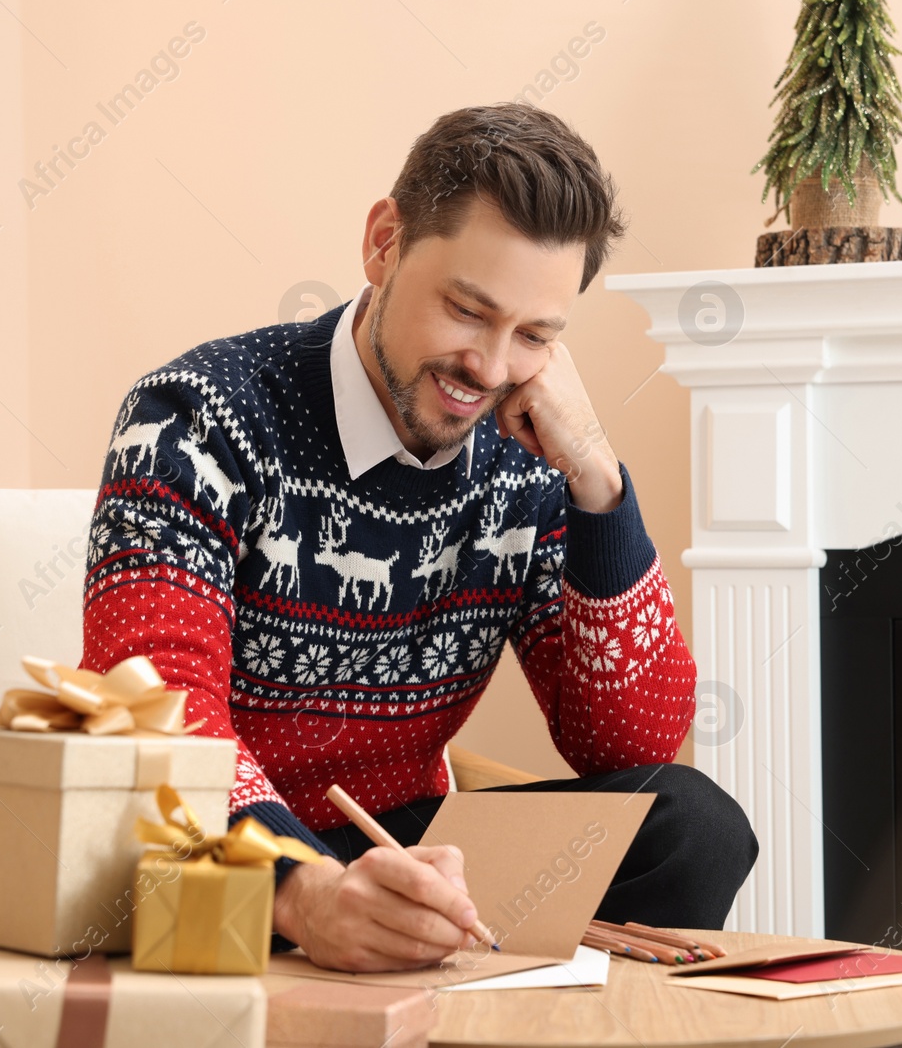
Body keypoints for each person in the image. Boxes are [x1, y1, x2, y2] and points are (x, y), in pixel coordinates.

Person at [79, 102, 758, 973]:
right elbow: (153, 706)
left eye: (536, 335)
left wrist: (597, 484)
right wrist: (303, 887)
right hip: (198, 850)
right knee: (186, 839)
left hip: (403, 840)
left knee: (692, 824)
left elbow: (625, 747)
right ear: (384, 243)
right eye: (469, 311)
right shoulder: (193, 416)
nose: (491, 366)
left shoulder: (531, 458)